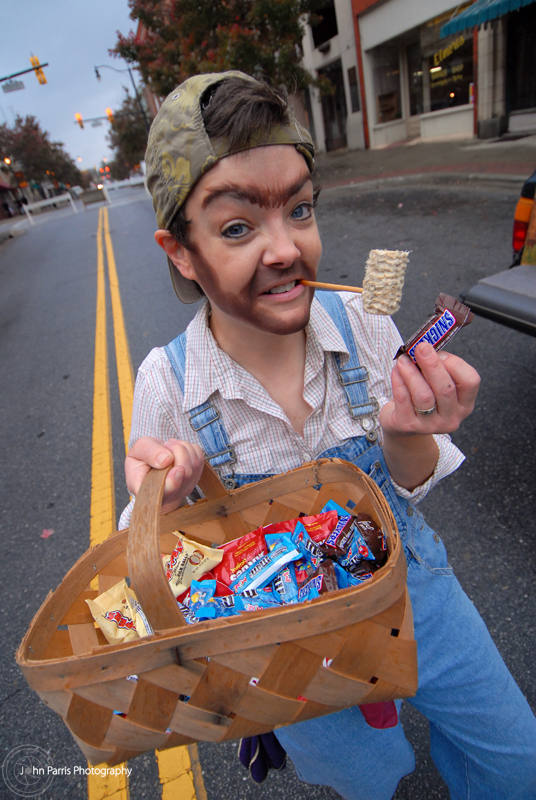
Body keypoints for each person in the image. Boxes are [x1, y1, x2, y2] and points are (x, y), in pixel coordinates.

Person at [119, 71, 536, 800]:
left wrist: (411, 430)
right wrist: (167, 499)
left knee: (514, 757)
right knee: (367, 779)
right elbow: (155, 560)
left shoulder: (367, 326)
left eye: (301, 210)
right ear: (181, 252)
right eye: (238, 227)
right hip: (289, 649)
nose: (285, 249)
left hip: (416, 595)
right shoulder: (167, 383)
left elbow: (412, 479)